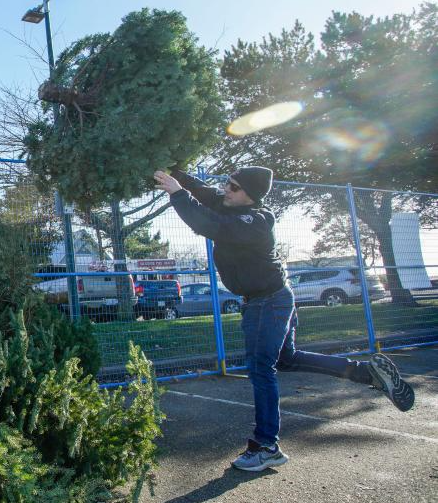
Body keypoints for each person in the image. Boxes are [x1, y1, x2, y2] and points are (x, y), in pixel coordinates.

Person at [153, 167, 415, 472]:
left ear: (249, 196)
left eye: (234, 187)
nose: (226, 189)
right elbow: (200, 189)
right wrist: (174, 171)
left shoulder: (257, 221)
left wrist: (177, 193)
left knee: (261, 368)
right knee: (287, 359)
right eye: (227, 183)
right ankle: (365, 373)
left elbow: (208, 224)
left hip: (269, 302)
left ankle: (266, 446)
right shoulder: (228, 202)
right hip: (269, 299)